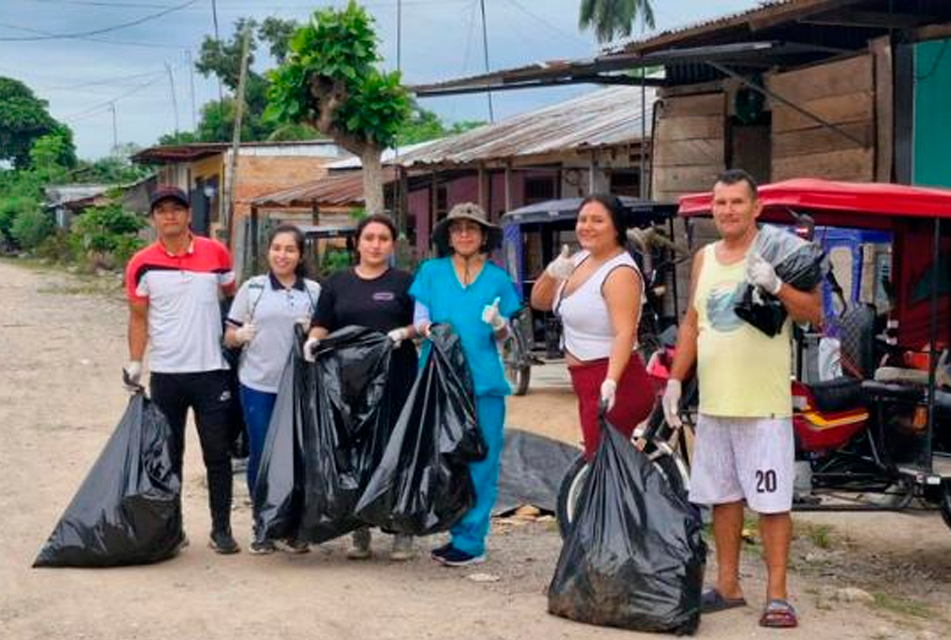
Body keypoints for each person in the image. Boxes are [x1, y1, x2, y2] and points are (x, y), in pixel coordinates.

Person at [661, 169, 821, 629]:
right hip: (715, 404)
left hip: (763, 406)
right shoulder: (705, 257)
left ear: (756, 208)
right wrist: (676, 379)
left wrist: (775, 286)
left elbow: (813, 314)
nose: (727, 211)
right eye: (720, 203)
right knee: (723, 498)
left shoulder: (779, 252)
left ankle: (778, 595)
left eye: (736, 202)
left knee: (771, 504)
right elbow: (692, 323)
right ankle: (728, 585)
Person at [123, 185, 241, 555]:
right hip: (168, 375)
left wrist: (236, 338)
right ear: (153, 218)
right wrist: (135, 362)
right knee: (168, 455)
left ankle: (221, 530)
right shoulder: (141, 263)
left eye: (177, 209)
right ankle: (171, 530)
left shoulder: (215, 253)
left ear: (189, 215)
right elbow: (138, 318)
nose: (169, 215)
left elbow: (233, 302)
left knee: (217, 454)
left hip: (212, 372)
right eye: (162, 210)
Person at [410, 202, 521, 567]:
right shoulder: (431, 271)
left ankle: (471, 541)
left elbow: (505, 336)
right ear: (448, 235)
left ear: (483, 235)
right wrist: (427, 329)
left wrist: (498, 324)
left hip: (485, 383)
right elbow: (420, 318)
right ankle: (453, 529)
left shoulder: (498, 279)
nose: (464, 234)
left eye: (471, 228)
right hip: (439, 380)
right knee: (445, 459)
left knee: (483, 461)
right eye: (457, 228)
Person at [302, 214, 418, 561]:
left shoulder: (405, 283)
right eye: (369, 238)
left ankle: (401, 530)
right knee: (352, 453)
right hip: (349, 382)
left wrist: (405, 333)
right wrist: (312, 341)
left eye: (383, 239)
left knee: (395, 450)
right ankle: (358, 529)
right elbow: (322, 324)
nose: (375, 245)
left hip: (396, 376)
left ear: (392, 244)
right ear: (357, 242)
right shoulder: (337, 283)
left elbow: (422, 323)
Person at [530, 193, 654, 459]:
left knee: (602, 469)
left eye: (597, 220)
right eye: (582, 219)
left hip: (614, 382)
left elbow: (624, 332)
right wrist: (551, 274)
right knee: (601, 465)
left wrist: (611, 381)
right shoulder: (577, 259)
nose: (587, 226)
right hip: (585, 381)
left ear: (616, 227)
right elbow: (539, 302)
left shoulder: (620, 272)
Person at [224, 224, 320, 555]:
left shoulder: (314, 292)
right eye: (277, 248)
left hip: (300, 389)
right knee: (264, 454)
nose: (282, 255)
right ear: (268, 252)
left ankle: (293, 527)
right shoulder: (252, 289)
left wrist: (316, 335)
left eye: (290, 249)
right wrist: (238, 337)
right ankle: (263, 524)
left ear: (300, 255)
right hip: (258, 384)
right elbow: (228, 333)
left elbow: (325, 335)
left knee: (299, 455)